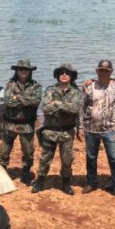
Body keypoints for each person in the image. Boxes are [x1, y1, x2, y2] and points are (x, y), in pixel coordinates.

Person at [78, 60, 115, 200]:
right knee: (91, 157)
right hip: (91, 128)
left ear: (111, 72)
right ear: (97, 71)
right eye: (101, 70)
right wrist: (80, 127)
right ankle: (92, 183)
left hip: (111, 129)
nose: (103, 72)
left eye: (106, 70)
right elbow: (82, 107)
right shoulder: (89, 87)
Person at [32, 63, 82, 195]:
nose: (64, 75)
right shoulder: (50, 90)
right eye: (61, 73)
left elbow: (75, 108)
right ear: (57, 76)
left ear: (72, 76)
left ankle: (65, 183)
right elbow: (45, 108)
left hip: (67, 131)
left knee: (67, 160)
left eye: (67, 73)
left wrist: (57, 104)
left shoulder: (76, 92)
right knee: (45, 158)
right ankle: (40, 181)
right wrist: (65, 107)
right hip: (50, 130)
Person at [0, 59, 42, 184]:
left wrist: (17, 97)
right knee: (4, 150)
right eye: (21, 69)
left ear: (29, 71)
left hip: (27, 124)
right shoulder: (10, 84)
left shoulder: (36, 86)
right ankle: (2, 171)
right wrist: (26, 100)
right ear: (17, 71)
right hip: (10, 123)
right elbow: (8, 101)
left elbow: (36, 101)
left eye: (26, 69)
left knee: (28, 151)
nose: (23, 72)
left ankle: (26, 172)